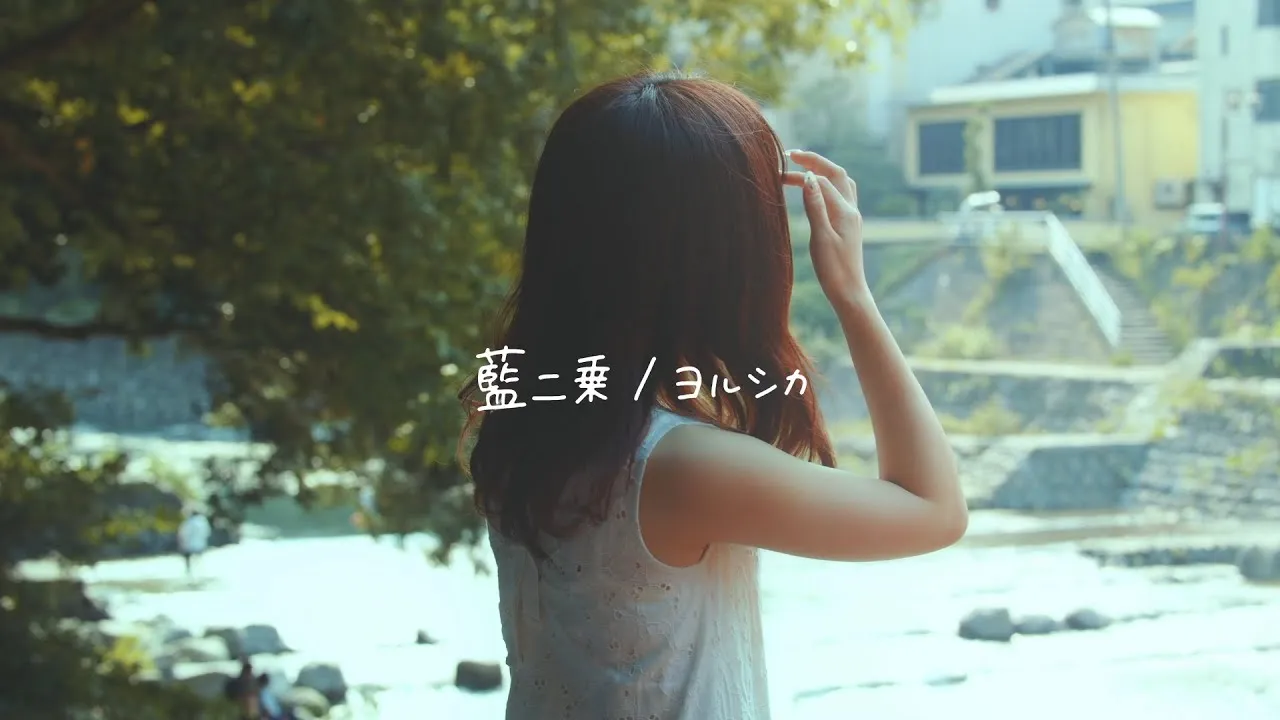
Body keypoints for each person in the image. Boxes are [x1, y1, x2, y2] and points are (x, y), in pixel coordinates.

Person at [457, 71, 967, 720]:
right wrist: (853, 296)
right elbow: (935, 510)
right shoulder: (678, 466)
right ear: (730, 256)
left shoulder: (523, 421)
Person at [176, 507, 212, 579]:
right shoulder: (203, 522)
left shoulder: (189, 522)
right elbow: (207, 532)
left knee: (188, 557)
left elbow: (183, 533)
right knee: (198, 557)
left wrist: (182, 541)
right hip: (200, 544)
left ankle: (189, 571)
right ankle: (200, 571)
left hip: (189, 544)